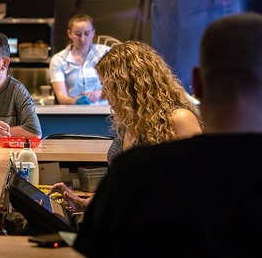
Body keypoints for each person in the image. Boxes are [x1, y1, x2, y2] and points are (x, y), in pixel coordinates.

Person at [73, 13, 262, 256]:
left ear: (197, 83)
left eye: (107, 86)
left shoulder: (135, 164)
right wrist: (96, 202)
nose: (104, 94)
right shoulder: (127, 133)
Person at [49, 41, 202, 213]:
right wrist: (86, 203)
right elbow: (124, 189)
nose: (104, 94)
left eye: (107, 87)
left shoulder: (179, 119)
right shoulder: (128, 124)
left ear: (128, 86)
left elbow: (198, 190)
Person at [49, 14, 110, 105]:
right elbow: (61, 97)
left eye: (87, 33)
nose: (82, 39)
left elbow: (120, 87)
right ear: (69, 34)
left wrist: (100, 93)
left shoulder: (106, 53)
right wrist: (76, 101)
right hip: (74, 111)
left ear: (93, 33)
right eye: (77, 34)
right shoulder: (58, 60)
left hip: (104, 111)